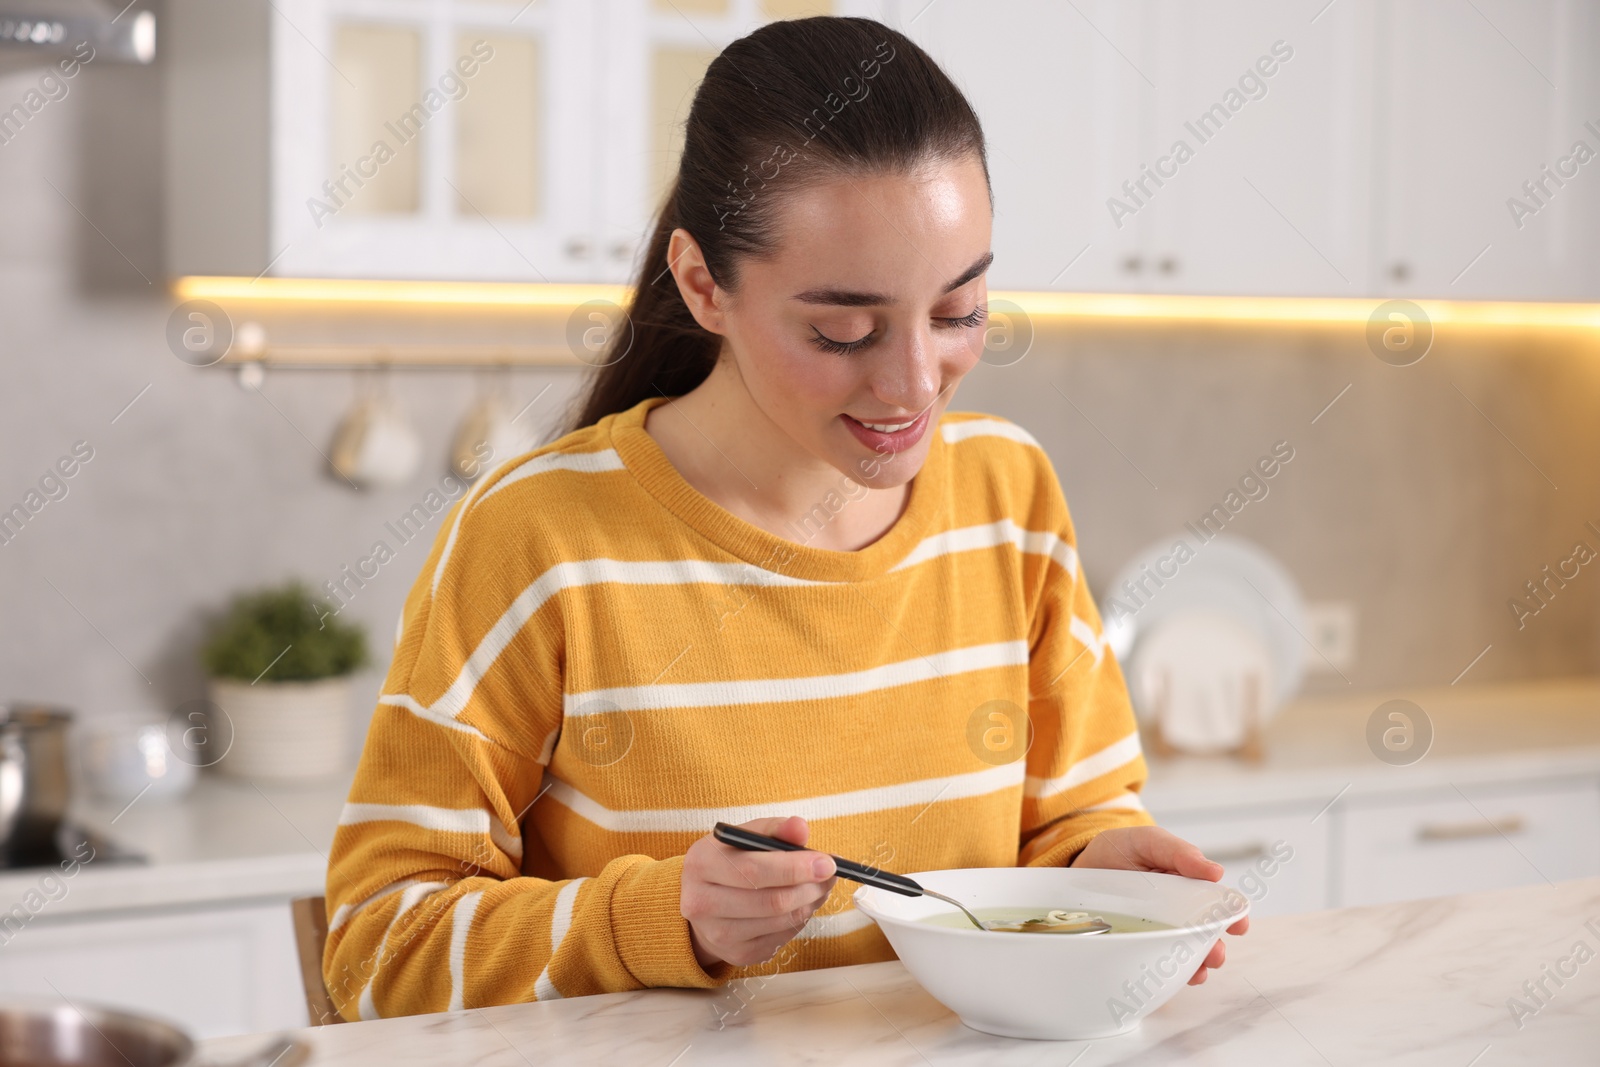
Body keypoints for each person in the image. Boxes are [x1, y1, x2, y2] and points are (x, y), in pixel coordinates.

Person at [322, 15, 1246, 1021]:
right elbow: (377, 946)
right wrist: (663, 915)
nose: (910, 385)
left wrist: (1100, 867)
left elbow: (1069, 820)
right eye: (840, 328)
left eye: (958, 312)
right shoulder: (539, 536)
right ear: (702, 282)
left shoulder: (1007, 495)